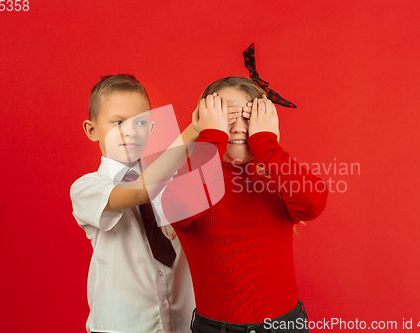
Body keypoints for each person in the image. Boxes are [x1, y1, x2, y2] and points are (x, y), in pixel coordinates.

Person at [70, 74, 242, 333]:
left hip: (184, 323)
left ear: (150, 129)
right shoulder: (87, 187)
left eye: (140, 122)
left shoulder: (174, 179)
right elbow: (141, 192)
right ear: (92, 130)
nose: (130, 131)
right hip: (122, 326)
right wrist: (195, 128)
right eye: (118, 122)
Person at [161, 76, 328, 333]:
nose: (238, 128)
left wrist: (267, 144)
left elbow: (313, 202)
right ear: (205, 124)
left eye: (249, 118)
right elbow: (178, 205)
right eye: (226, 117)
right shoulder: (192, 181)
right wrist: (211, 136)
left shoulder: (276, 176)